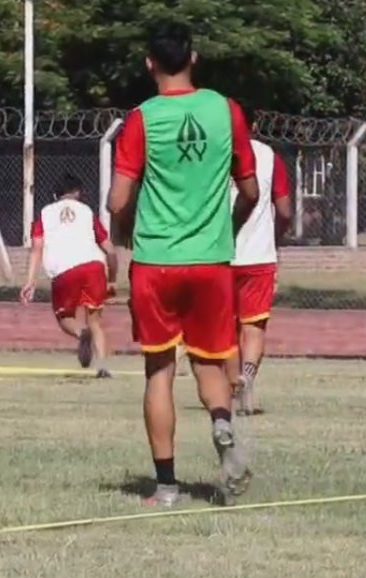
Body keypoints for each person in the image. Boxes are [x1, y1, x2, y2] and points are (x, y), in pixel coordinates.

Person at [108, 22, 260, 508]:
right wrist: (230, 228)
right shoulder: (225, 110)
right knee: (210, 363)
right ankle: (220, 422)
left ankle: (168, 488)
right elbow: (251, 191)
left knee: (159, 372)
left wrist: (126, 226)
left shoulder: (142, 120)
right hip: (211, 262)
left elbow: (116, 201)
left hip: (157, 262)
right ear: (193, 58)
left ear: (150, 64)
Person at [227, 110, 294, 416]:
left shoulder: (210, 154)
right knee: (253, 326)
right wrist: (275, 239)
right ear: (254, 126)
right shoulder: (269, 157)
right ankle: (248, 378)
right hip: (258, 256)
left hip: (218, 256)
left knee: (223, 329)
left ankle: (228, 385)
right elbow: (284, 211)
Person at [21, 174, 118, 378]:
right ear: (78, 193)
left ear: (56, 195)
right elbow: (110, 250)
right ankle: (103, 367)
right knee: (95, 321)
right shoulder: (87, 212)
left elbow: (37, 249)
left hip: (65, 270)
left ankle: (81, 333)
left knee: (65, 317)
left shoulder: (45, 214)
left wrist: (31, 281)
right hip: (94, 266)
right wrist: (112, 279)